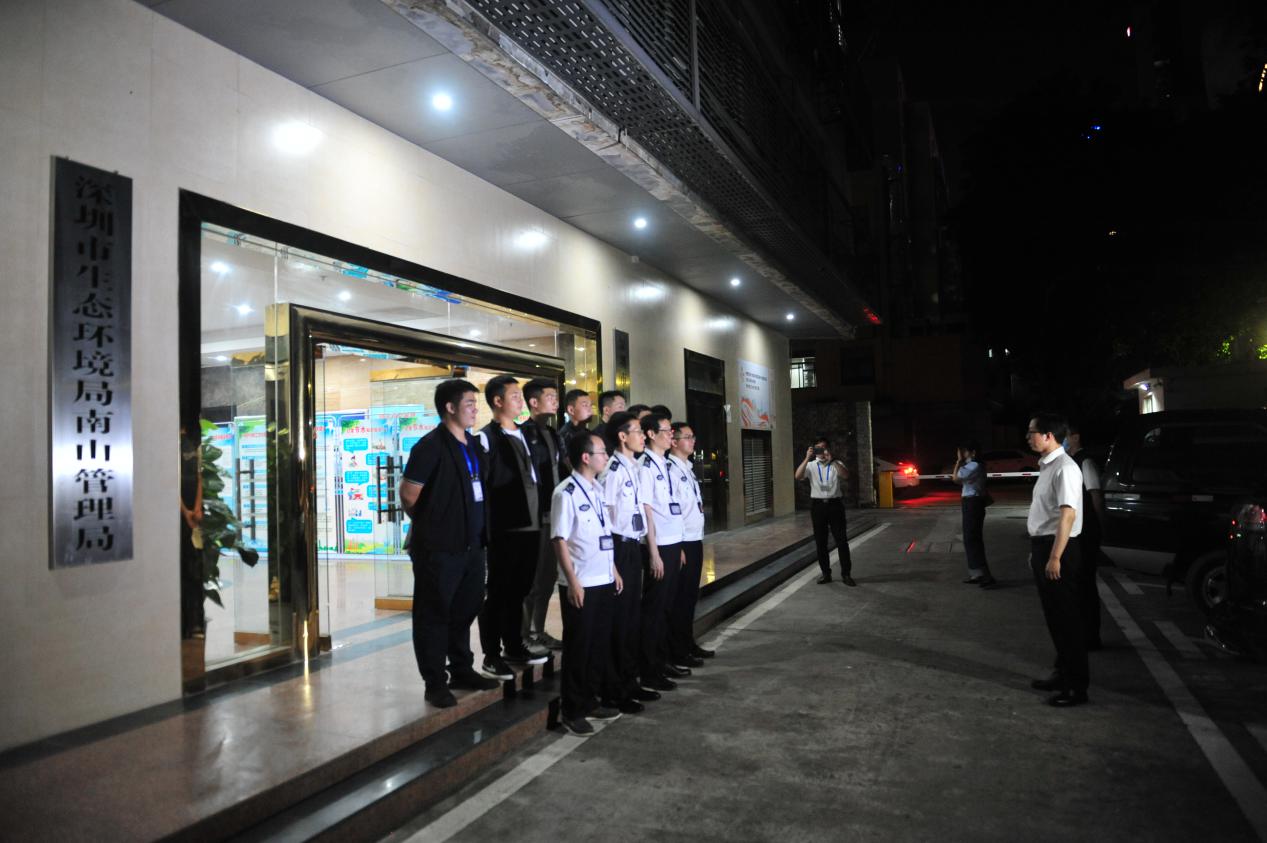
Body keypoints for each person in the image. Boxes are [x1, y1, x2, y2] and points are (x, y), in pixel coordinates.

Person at [399, 379, 501, 708]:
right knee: (433, 614)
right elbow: (409, 495)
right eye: (469, 403)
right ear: (450, 407)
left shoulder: (473, 444)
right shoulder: (430, 446)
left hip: (473, 545)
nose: (475, 409)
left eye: (475, 403)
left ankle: (461, 669)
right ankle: (434, 682)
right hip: (439, 548)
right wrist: (433, 524)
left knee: (466, 607)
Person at [551, 432, 624, 736]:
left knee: (598, 644)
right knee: (579, 647)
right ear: (585, 457)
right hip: (581, 582)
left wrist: (614, 570)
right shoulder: (565, 493)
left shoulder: (597, 489)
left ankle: (591, 700)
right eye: (602, 452)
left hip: (603, 579)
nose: (606, 457)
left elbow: (603, 534)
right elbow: (559, 539)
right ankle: (572, 709)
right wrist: (572, 582)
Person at [477, 375, 548, 682]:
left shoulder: (527, 433)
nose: (521, 401)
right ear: (498, 401)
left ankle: (514, 645)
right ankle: (491, 654)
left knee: (521, 588)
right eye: (515, 396)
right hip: (505, 527)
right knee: (499, 591)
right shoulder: (486, 438)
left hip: (532, 524)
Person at [1025, 412, 1088, 707]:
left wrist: (1054, 557)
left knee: (1067, 620)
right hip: (1046, 547)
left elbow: (1068, 516)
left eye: (1032, 432)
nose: (1029, 437)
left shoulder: (1065, 468)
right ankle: (1062, 674)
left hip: (1059, 549)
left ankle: (1076, 687)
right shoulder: (1048, 466)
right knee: (1055, 618)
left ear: (1049, 435)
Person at [599, 411, 661, 712]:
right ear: (622, 437)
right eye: (637, 430)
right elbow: (605, 520)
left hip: (633, 547)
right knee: (620, 622)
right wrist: (611, 564)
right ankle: (615, 690)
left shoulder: (635, 468)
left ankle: (630, 682)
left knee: (632, 619)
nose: (642, 436)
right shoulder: (612, 472)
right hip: (618, 549)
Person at [638, 412, 688, 690]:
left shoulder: (663, 463)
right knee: (654, 610)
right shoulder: (645, 465)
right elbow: (647, 511)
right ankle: (649, 669)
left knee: (667, 607)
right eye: (667, 431)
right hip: (657, 547)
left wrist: (677, 545)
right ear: (650, 434)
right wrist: (654, 553)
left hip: (672, 543)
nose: (671, 435)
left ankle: (662, 660)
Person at [521, 378, 569, 651]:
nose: (555, 401)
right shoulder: (522, 433)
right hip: (534, 516)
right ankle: (523, 634)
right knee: (532, 577)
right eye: (550, 396)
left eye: (556, 397)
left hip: (554, 513)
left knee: (548, 576)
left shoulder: (553, 433)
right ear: (533, 401)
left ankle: (538, 630)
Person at [667, 421, 714, 665]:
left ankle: (688, 643)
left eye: (693, 436)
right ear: (674, 442)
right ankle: (677, 650)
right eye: (687, 437)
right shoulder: (670, 470)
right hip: (682, 541)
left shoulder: (688, 468)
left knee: (689, 597)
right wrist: (679, 546)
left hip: (695, 539)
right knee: (680, 599)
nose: (692, 441)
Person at [794, 438, 855, 586]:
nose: (821, 451)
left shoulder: (836, 463)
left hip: (835, 505)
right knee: (821, 542)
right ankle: (826, 574)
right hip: (818, 506)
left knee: (841, 540)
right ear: (814, 450)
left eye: (823, 448)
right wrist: (807, 458)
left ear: (828, 449)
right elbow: (798, 476)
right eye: (818, 448)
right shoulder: (810, 465)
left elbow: (846, 475)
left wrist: (832, 460)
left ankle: (846, 574)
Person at [1066, 424, 1105, 650]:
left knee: (1085, 584)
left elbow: (1095, 496)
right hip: (1074, 531)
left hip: (1086, 531)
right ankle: (1081, 631)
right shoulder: (1071, 461)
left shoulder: (1086, 462)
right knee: (1077, 584)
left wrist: (1100, 526)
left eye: (1065, 436)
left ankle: (1091, 636)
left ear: (1076, 437)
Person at [953, 442, 996, 588]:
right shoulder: (974, 466)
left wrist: (958, 461)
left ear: (973, 453)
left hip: (972, 503)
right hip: (972, 502)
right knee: (970, 539)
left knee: (972, 539)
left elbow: (956, 478)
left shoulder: (974, 465)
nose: (963, 455)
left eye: (965, 452)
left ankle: (986, 576)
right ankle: (977, 574)